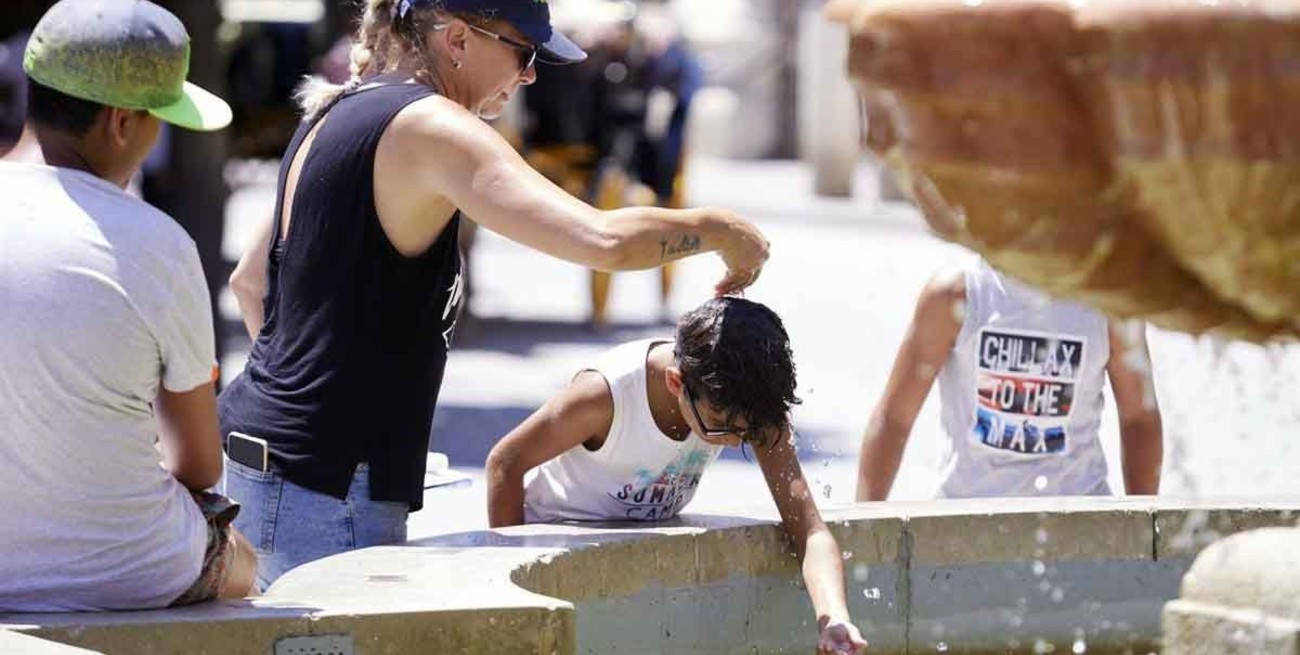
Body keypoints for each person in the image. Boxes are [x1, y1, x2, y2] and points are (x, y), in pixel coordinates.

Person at [220, 0, 769, 588]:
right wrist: (721, 231)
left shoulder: (341, 107)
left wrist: (311, 400)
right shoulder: (433, 127)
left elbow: (250, 280)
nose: (531, 74)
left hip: (271, 461)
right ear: (458, 39)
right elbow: (601, 238)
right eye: (524, 52)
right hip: (325, 488)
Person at [0, 0, 256, 610]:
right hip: (131, 568)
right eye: (157, 120)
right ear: (120, 121)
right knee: (246, 562)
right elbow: (197, 464)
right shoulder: (158, 244)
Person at [486, 298, 869, 655]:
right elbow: (505, 463)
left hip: (636, 570)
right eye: (721, 427)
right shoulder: (603, 398)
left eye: (747, 432)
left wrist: (834, 617)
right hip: (557, 542)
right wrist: (514, 598)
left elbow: (810, 530)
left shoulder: (746, 405)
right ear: (676, 383)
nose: (737, 441)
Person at [855, 257, 1164, 501]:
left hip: (1079, 516)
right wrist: (863, 533)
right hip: (966, 522)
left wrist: (1146, 534)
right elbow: (894, 419)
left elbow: (1139, 418)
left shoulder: (1108, 303)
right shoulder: (957, 294)